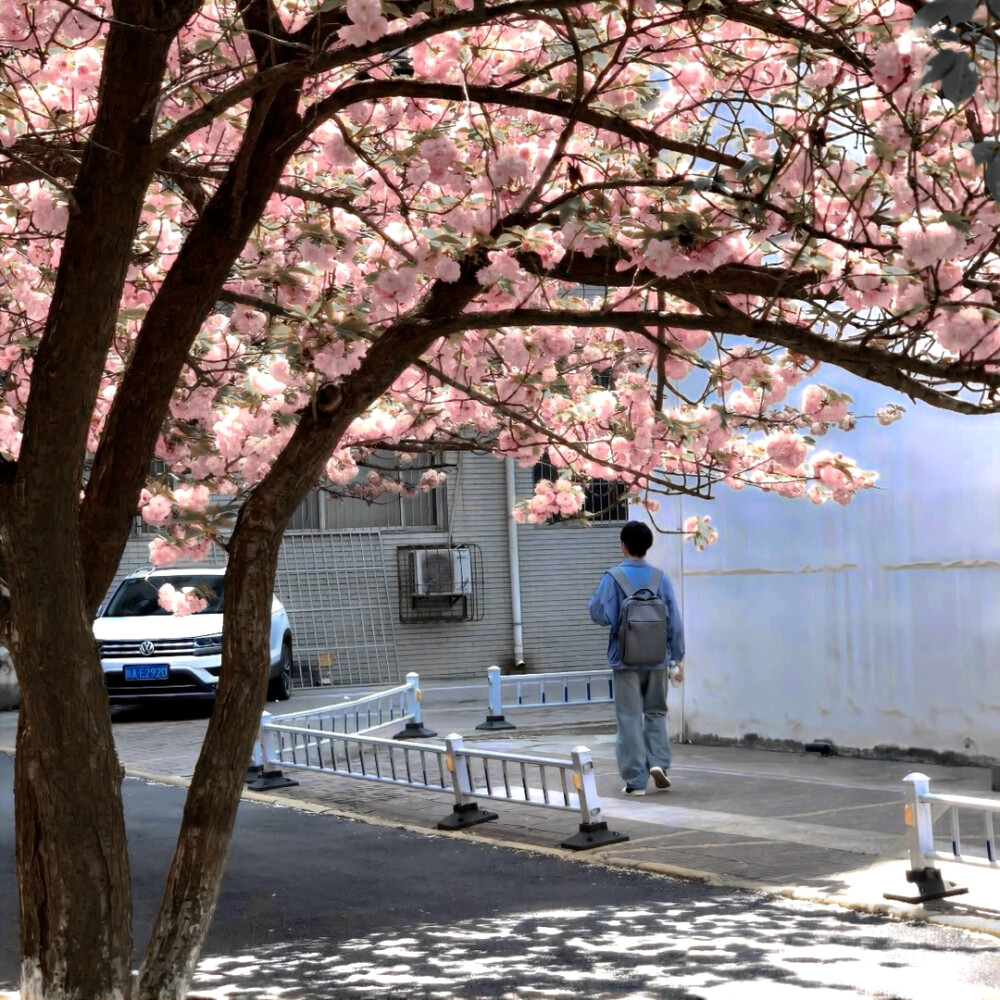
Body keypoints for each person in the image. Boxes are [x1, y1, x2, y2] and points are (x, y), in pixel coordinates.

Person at [588, 520, 685, 796]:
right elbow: (674, 621)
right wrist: (677, 658)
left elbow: (598, 614)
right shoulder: (660, 578)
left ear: (623, 545)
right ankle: (659, 763)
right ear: (647, 546)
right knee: (656, 712)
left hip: (625, 660)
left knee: (629, 717)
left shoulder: (613, 577)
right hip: (657, 658)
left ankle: (635, 780)